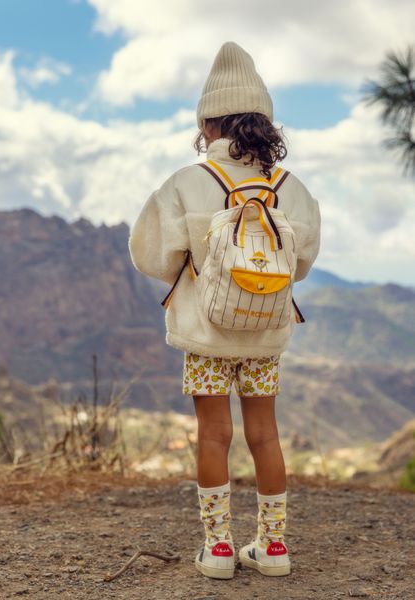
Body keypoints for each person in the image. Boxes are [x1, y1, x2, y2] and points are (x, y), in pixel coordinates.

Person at [128, 41, 321, 580]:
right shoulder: (294, 191)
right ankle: (273, 548)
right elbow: (299, 266)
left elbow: (149, 255)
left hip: (205, 334)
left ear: (208, 124)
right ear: (263, 124)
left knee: (213, 434)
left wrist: (197, 271)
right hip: (265, 337)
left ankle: (217, 549)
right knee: (266, 434)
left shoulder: (187, 184)